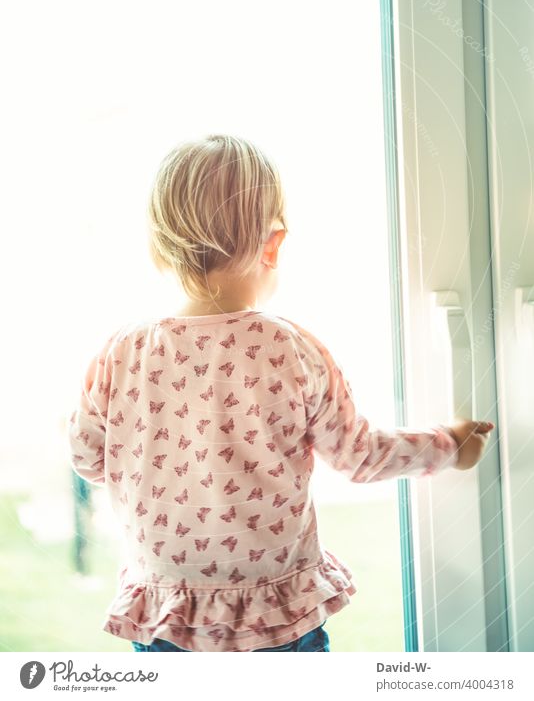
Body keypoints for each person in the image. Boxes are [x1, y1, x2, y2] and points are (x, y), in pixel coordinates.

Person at [66, 134, 493, 653]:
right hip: (276, 618)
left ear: (159, 243)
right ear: (274, 244)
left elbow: (87, 457)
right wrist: (450, 443)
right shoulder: (289, 349)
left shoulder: (120, 352)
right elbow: (360, 455)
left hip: (168, 618)